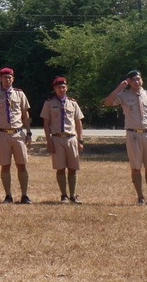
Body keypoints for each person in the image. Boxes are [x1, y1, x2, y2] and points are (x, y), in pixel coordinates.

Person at [104, 69, 147, 205]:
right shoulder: (124, 95)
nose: (137, 82)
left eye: (138, 79)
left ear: (142, 80)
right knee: (136, 167)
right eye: (133, 80)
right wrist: (120, 87)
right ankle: (140, 197)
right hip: (133, 134)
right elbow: (108, 102)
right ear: (129, 82)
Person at [0, 66, 33, 204]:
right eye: (5, 77)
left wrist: (29, 132)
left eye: (10, 77)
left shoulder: (20, 94)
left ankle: (24, 195)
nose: (7, 80)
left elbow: (25, 114)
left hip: (18, 133)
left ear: (13, 79)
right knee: (5, 166)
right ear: (0, 79)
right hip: (3, 134)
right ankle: (8, 196)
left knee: (22, 165)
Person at [40, 76, 85, 204]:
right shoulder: (49, 103)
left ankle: (73, 195)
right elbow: (46, 123)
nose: (61, 89)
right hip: (57, 138)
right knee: (60, 168)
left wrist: (80, 140)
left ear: (67, 88)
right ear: (55, 88)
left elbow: (78, 122)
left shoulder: (73, 103)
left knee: (73, 168)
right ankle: (64, 195)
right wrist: (48, 141)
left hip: (71, 138)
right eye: (59, 87)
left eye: (63, 87)